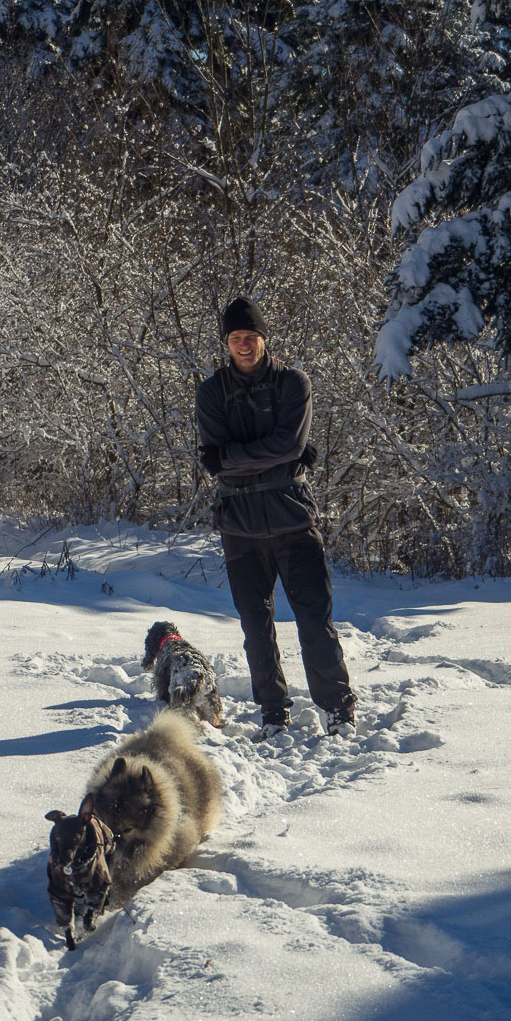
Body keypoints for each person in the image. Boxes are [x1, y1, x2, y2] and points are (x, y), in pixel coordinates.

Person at [196, 296, 355, 739]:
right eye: (235, 338)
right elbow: (268, 451)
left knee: (314, 621)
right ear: (226, 343)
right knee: (255, 627)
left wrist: (233, 457)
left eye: (250, 337)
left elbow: (269, 449)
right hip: (238, 526)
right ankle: (272, 711)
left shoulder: (293, 384)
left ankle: (338, 708)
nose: (243, 345)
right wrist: (280, 453)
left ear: (264, 339)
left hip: (293, 520)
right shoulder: (211, 392)